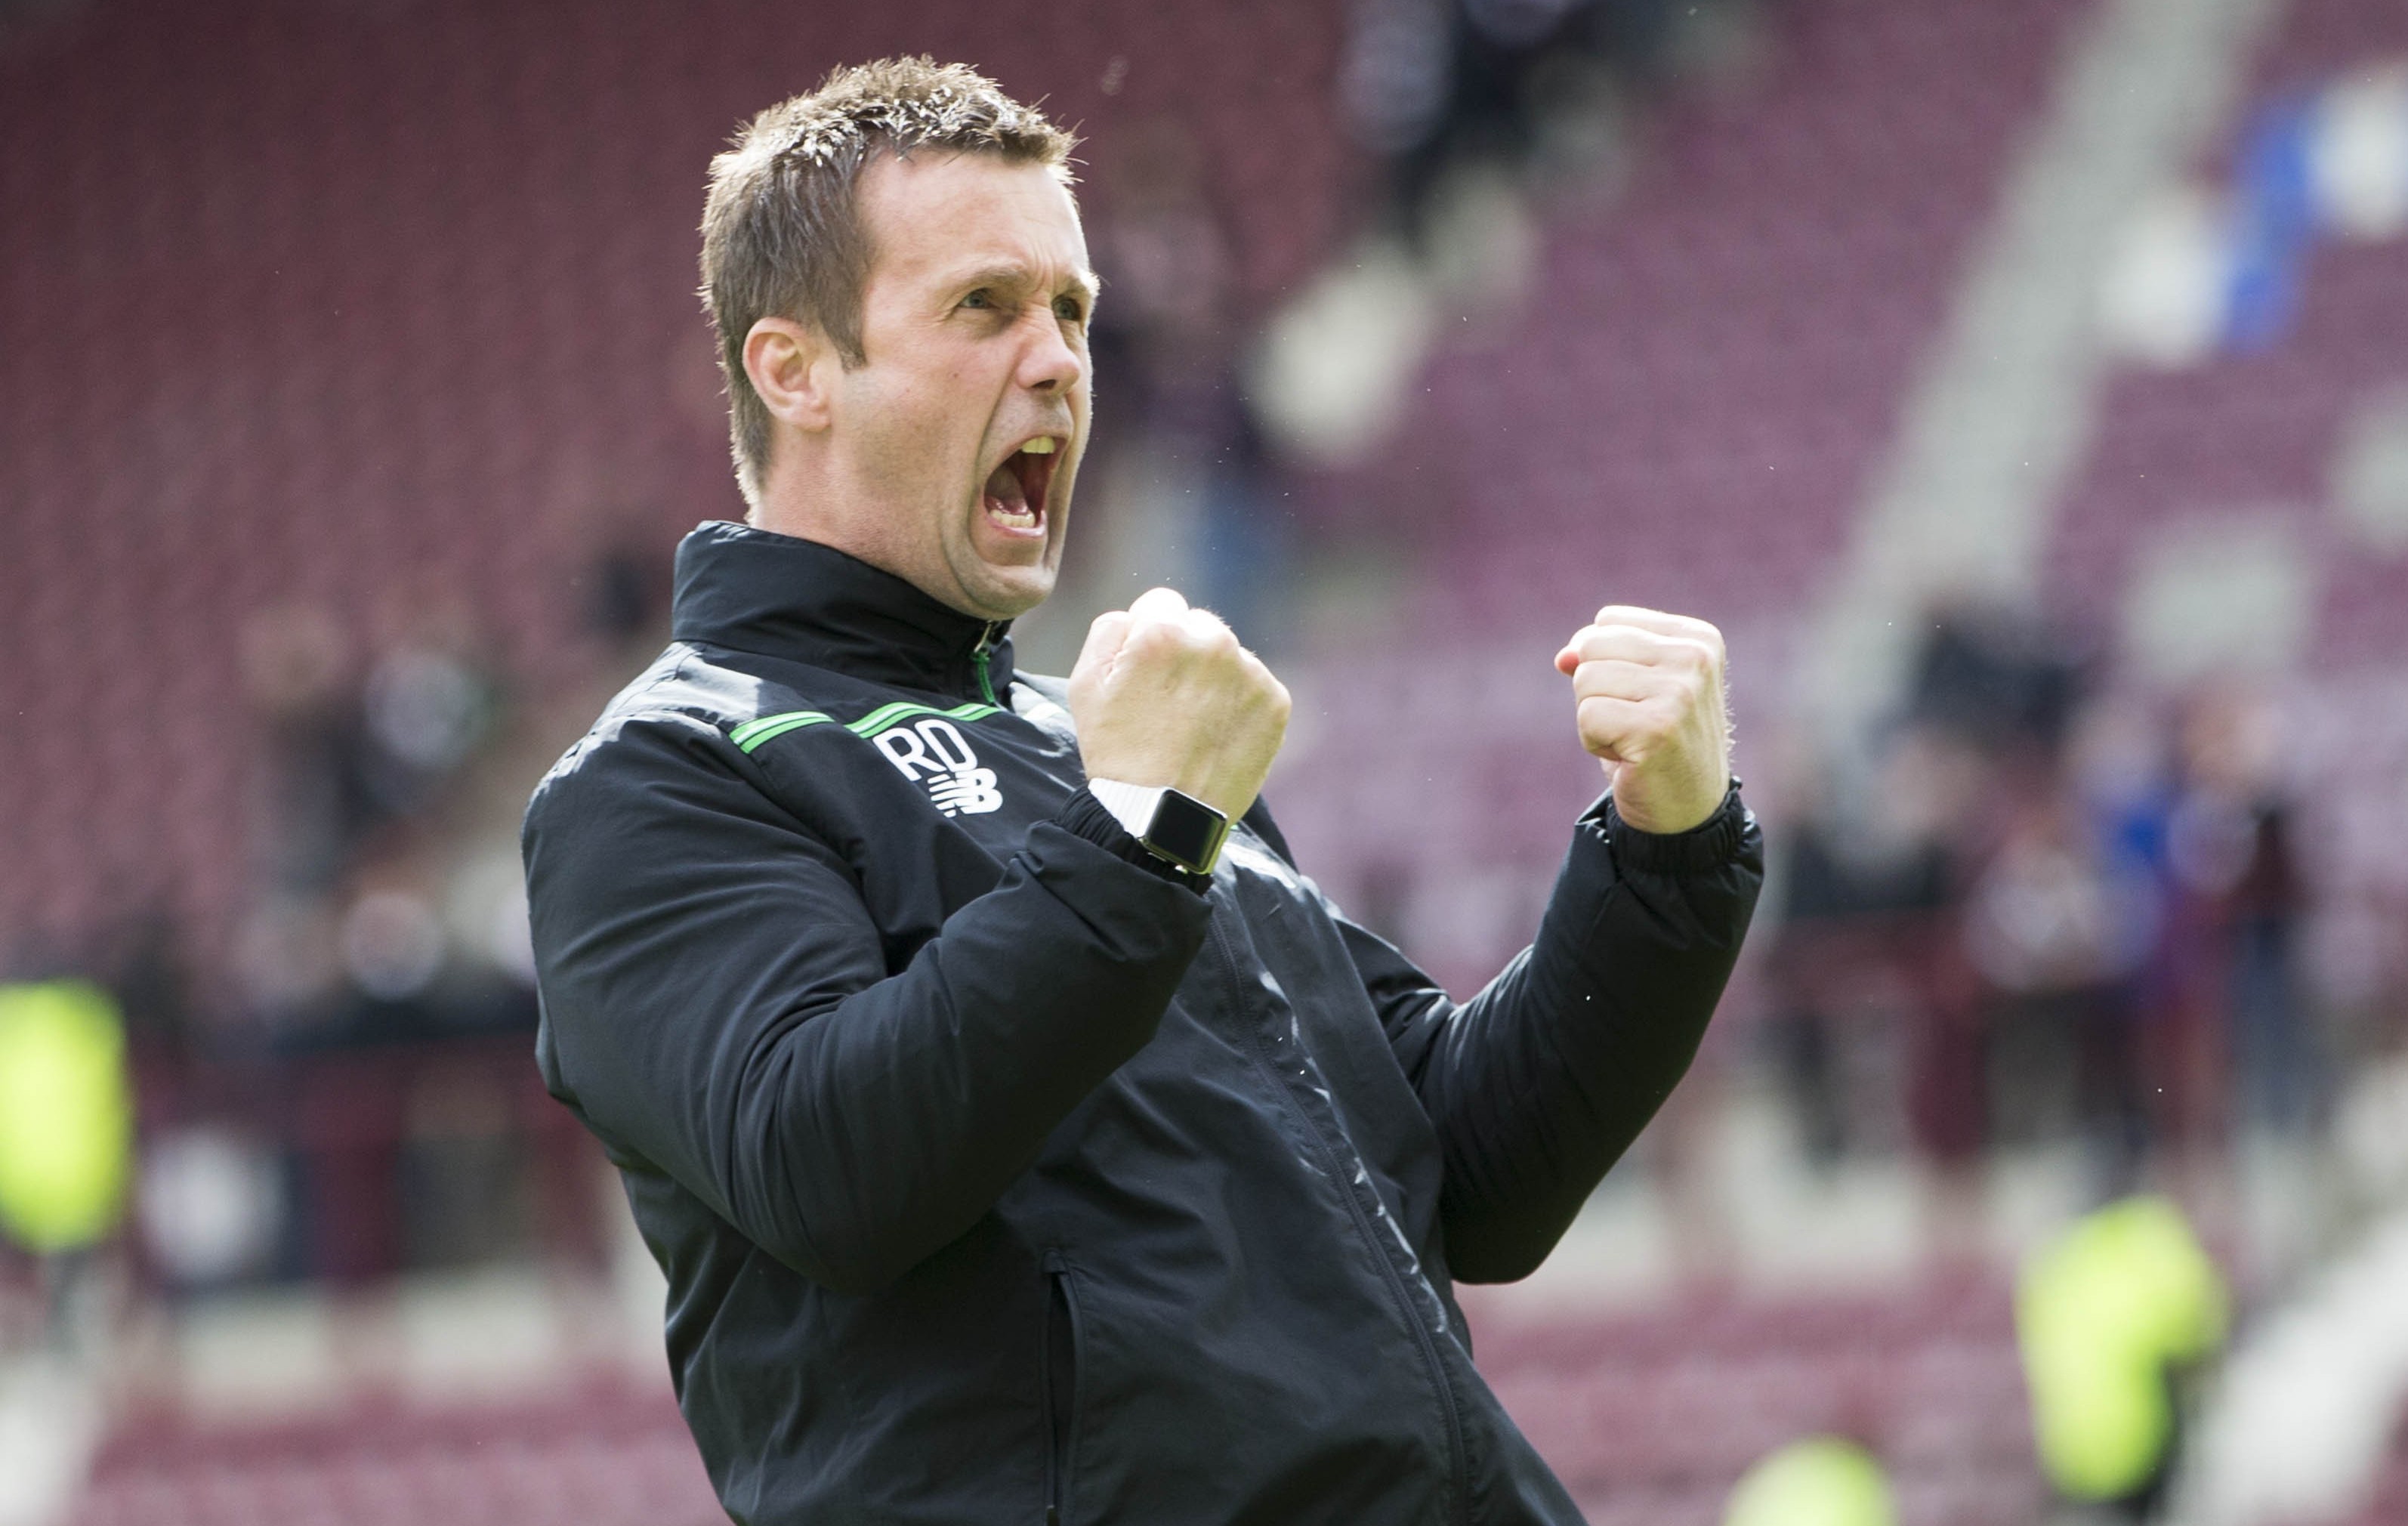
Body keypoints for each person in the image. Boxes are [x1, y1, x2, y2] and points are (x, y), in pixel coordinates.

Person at [522, 57, 1762, 1524]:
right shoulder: (664, 775)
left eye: (1073, 311)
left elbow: (1465, 1163)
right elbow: (827, 1164)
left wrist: (1664, 856)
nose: (1055, 360)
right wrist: (1142, 833)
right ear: (794, 370)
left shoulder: (1102, 741)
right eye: (984, 305)